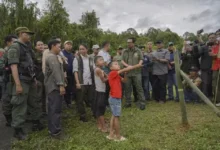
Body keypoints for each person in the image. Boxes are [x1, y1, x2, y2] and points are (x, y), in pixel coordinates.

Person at [7, 27, 44, 140]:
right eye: (27, 34)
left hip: (30, 79)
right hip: (21, 80)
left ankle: (36, 123)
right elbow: (13, 66)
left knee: (34, 101)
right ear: (21, 34)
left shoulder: (27, 48)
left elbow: (31, 64)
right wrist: (17, 84)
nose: (29, 36)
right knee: (20, 104)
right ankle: (18, 130)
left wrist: (34, 79)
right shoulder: (15, 47)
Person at [107, 61, 142, 141]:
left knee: (114, 115)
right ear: (111, 68)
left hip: (115, 98)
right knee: (116, 117)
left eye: (117, 64)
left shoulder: (117, 75)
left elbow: (124, 80)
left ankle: (111, 134)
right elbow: (123, 70)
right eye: (115, 64)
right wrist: (136, 65)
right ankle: (118, 136)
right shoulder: (112, 73)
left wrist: (126, 73)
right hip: (114, 98)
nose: (118, 65)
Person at [44, 39, 65, 137]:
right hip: (54, 87)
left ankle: (53, 129)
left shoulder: (55, 57)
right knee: (55, 109)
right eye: (59, 46)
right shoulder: (52, 57)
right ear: (53, 46)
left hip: (53, 86)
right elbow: (56, 72)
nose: (60, 48)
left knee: (54, 108)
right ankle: (55, 132)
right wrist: (61, 85)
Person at [121, 37, 145, 110]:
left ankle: (142, 103)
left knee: (139, 88)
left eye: (130, 42)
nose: (128, 44)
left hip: (136, 73)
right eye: (127, 42)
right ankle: (128, 102)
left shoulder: (138, 51)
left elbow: (141, 60)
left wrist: (136, 65)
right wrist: (128, 66)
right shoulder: (124, 51)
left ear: (133, 43)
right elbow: (122, 61)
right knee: (127, 88)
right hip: (127, 73)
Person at [73, 44, 95, 122]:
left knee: (91, 99)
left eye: (83, 49)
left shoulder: (91, 58)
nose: (81, 50)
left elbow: (94, 69)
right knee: (80, 100)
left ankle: (94, 113)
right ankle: (82, 116)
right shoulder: (77, 59)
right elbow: (75, 71)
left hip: (90, 82)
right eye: (80, 49)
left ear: (87, 49)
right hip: (82, 82)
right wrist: (77, 82)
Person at [1, 35, 17, 126]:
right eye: (14, 42)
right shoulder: (4, 53)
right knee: (7, 99)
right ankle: (8, 118)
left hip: (15, 79)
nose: (16, 44)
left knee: (15, 99)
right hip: (7, 79)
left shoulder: (15, 51)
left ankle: (14, 117)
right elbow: (2, 66)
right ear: (8, 42)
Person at [94, 56, 108, 132]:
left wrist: (108, 76)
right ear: (96, 63)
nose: (102, 61)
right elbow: (103, 80)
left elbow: (107, 76)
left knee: (98, 108)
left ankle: (99, 125)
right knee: (101, 109)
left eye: (103, 59)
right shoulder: (98, 70)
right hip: (100, 92)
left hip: (99, 91)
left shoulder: (100, 69)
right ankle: (104, 127)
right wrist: (111, 77)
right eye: (100, 60)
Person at [199, 33, 214, 98]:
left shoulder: (218, 47)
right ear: (208, 38)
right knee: (205, 84)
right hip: (205, 69)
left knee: (213, 84)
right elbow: (198, 54)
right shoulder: (204, 47)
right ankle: (204, 98)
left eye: (213, 38)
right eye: (210, 38)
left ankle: (211, 96)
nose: (211, 39)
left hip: (216, 68)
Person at [34, 40, 46, 113]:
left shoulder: (47, 54)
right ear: (35, 47)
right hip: (38, 79)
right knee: (38, 96)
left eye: (42, 44)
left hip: (46, 79)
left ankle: (44, 110)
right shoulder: (34, 56)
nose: (41, 46)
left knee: (45, 95)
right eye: (39, 45)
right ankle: (37, 113)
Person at [61, 41, 74, 108]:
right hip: (64, 74)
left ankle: (68, 102)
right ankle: (64, 103)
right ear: (64, 45)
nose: (69, 45)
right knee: (64, 89)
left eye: (70, 44)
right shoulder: (61, 53)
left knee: (69, 89)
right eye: (67, 44)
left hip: (71, 74)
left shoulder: (71, 55)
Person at [98, 41, 111, 106]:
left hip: (107, 71)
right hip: (104, 71)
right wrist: (112, 67)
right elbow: (105, 63)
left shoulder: (107, 53)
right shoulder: (101, 53)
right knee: (105, 88)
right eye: (109, 46)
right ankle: (104, 103)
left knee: (108, 88)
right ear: (106, 46)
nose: (110, 47)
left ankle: (106, 102)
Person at [209, 31, 220, 106]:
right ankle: (217, 100)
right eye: (211, 38)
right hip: (215, 67)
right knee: (215, 84)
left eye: (214, 37)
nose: (213, 39)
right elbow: (213, 56)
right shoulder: (213, 47)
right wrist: (216, 55)